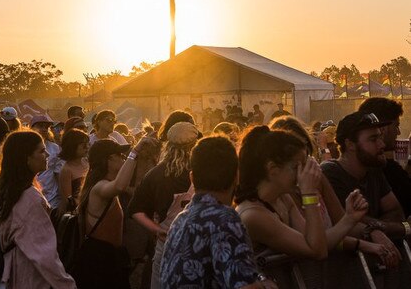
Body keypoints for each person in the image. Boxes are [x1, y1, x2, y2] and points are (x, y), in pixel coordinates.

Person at [235, 125, 369, 263]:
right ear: (272, 169)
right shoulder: (253, 215)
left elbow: (317, 241)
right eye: (296, 167)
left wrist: (349, 219)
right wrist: (309, 194)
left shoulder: (282, 198)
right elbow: (317, 251)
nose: (303, 174)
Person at [161, 135, 276, 289]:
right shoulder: (224, 219)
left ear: (192, 178)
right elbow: (244, 285)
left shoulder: (180, 219)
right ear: (237, 176)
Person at [0, 130, 76, 288]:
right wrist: (67, 285)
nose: (48, 155)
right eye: (42, 151)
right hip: (23, 273)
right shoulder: (29, 198)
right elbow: (44, 255)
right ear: (26, 157)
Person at [71, 137, 153, 289]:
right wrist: (134, 152)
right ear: (109, 159)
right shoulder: (99, 187)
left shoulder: (102, 184)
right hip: (99, 259)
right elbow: (120, 186)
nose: (123, 158)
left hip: (108, 256)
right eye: (120, 156)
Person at [128, 122, 200, 289]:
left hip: (167, 243)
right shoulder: (204, 171)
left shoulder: (156, 174)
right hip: (199, 244)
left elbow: (135, 209)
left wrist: (157, 229)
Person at [321, 112, 409, 242]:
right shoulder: (330, 173)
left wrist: (376, 228)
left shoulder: (372, 168)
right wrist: (398, 228)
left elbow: (396, 212)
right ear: (350, 144)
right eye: (373, 139)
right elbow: (346, 220)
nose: (382, 145)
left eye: (380, 137)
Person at [358, 98, 411, 217]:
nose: (398, 132)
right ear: (383, 129)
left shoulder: (377, 166)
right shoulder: (378, 166)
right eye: (396, 126)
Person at [30, 114, 61, 209]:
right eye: (40, 126)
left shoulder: (55, 148)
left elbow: (59, 175)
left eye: (46, 127)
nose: (44, 129)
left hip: (52, 199)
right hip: (31, 198)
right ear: (31, 128)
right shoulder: (25, 148)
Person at [57, 129, 89, 214]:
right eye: (83, 145)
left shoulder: (86, 162)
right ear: (72, 146)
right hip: (76, 213)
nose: (87, 147)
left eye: (87, 144)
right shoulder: (66, 170)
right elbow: (68, 200)